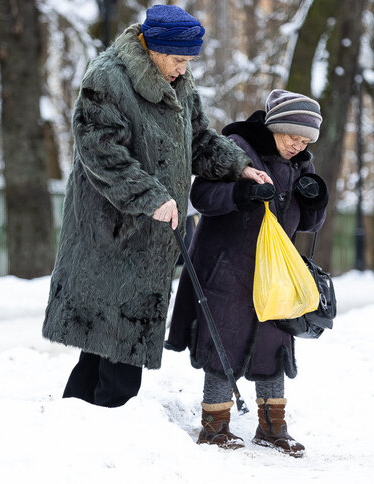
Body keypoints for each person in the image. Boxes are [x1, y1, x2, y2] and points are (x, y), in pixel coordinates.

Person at [42, 4, 271, 409]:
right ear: (153, 47)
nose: (184, 69)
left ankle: (73, 426)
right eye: (179, 59)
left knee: (103, 345)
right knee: (118, 341)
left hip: (151, 235)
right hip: (110, 231)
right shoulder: (108, 79)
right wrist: (150, 196)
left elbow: (198, 139)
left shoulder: (176, 82)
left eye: (189, 61)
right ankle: (111, 431)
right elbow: (100, 151)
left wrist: (240, 167)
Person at [166, 90, 329, 457]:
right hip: (228, 264)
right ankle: (215, 425)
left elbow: (310, 222)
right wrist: (240, 194)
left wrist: (315, 199)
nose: (297, 145)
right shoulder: (237, 146)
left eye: (305, 141)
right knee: (223, 337)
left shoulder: (301, 161)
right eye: (292, 136)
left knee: (274, 340)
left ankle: (273, 427)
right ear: (276, 126)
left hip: (274, 271)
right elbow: (202, 196)